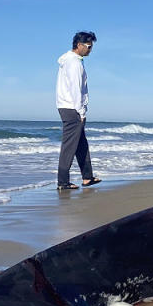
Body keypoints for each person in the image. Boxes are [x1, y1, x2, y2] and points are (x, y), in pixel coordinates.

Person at [55, 31, 100, 190]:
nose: (90, 50)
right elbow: (75, 89)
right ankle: (63, 181)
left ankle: (87, 177)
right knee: (69, 146)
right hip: (72, 108)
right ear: (79, 45)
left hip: (68, 106)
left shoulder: (70, 61)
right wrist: (81, 112)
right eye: (88, 46)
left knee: (81, 144)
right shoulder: (74, 63)